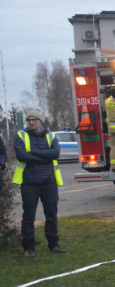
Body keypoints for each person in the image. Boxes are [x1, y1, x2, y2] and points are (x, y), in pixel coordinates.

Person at [13, 109, 65, 257]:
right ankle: (28, 247)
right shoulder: (20, 136)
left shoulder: (51, 136)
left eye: (34, 119)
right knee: (28, 216)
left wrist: (34, 152)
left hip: (49, 181)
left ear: (40, 121)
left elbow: (55, 154)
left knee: (51, 214)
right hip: (29, 182)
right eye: (29, 119)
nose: (31, 122)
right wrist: (44, 159)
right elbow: (22, 156)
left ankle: (54, 244)